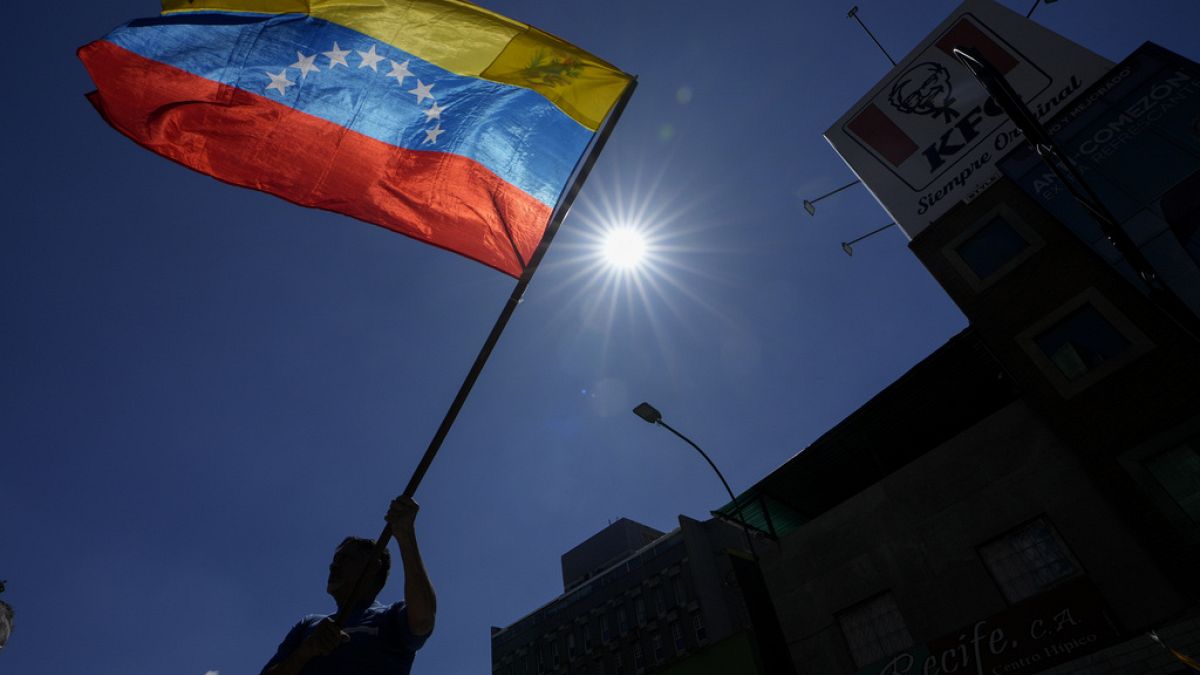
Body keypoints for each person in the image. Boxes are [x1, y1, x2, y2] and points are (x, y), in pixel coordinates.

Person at [261, 496, 436, 674]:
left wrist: (406, 534)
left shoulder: (390, 617)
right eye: (335, 560)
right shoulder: (310, 624)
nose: (333, 565)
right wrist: (306, 651)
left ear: (373, 567)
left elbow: (422, 622)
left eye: (345, 558)